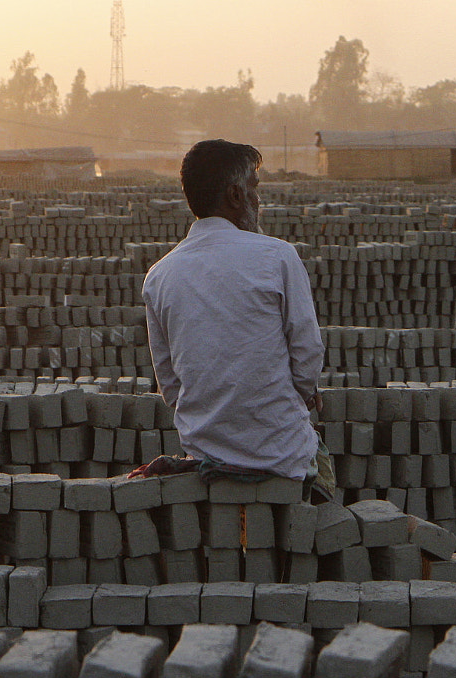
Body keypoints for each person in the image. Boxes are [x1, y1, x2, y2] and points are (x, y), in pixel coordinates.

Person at [131, 139, 329, 492]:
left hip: (206, 457)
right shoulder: (279, 257)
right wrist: (290, 399)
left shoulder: (159, 276)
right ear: (236, 196)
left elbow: (170, 385)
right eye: (254, 189)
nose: (258, 201)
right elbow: (308, 356)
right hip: (282, 457)